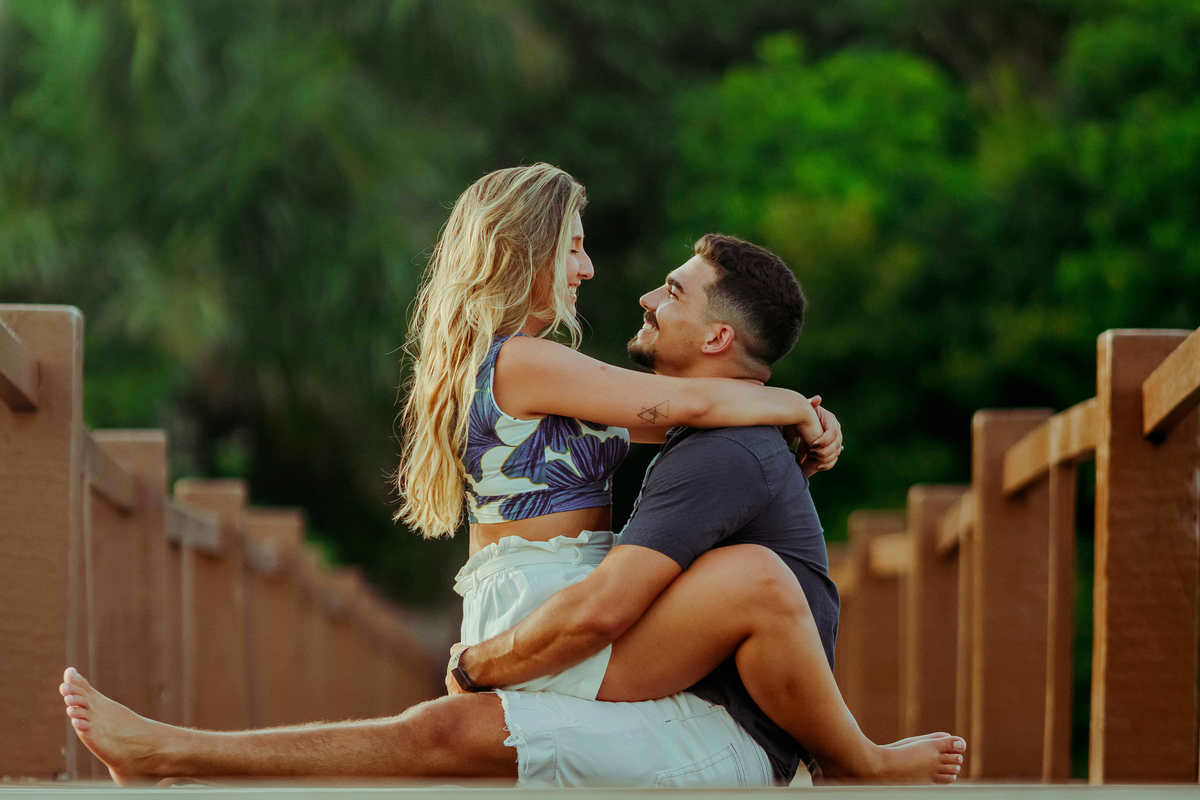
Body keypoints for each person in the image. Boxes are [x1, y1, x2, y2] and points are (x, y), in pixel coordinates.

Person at [58, 165, 964, 786]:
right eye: (573, 244)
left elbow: (696, 424)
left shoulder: (535, 367)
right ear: (526, 250)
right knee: (439, 734)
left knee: (439, 735)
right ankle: (173, 754)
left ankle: (175, 754)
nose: (591, 268)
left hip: (549, 602)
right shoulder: (522, 361)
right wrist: (796, 404)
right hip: (548, 603)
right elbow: (674, 408)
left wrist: (799, 420)